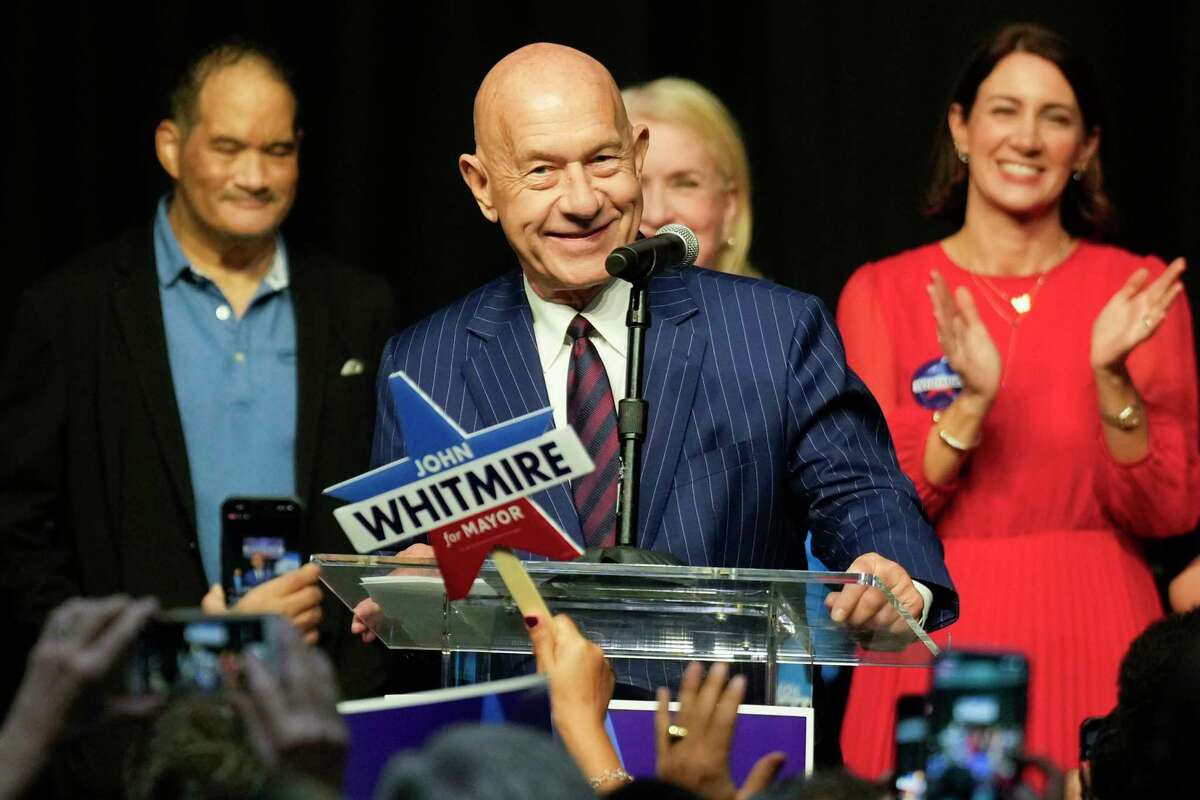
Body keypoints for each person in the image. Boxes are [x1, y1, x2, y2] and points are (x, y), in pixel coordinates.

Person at [357, 43, 958, 696]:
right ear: (482, 186)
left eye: (603, 160)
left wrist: (895, 575)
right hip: (517, 761)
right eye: (542, 172)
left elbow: (863, 498)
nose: (582, 200)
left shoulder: (772, 332)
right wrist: (414, 584)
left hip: (722, 759)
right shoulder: (425, 364)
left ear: (637, 155)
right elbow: (408, 582)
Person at [0, 40, 403, 781]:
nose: (254, 176)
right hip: (129, 744)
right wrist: (157, 655)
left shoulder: (359, 309)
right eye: (228, 147)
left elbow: (389, 518)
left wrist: (352, 688)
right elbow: (22, 537)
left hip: (315, 729)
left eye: (276, 151)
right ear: (171, 146)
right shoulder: (71, 311)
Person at [835, 23, 1200, 776]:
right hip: (933, 629)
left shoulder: (1139, 293)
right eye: (1004, 110)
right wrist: (970, 405)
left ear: (1087, 149)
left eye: (1056, 118)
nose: (1027, 138)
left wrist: (1111, 377)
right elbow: (868, 506)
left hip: (1103, 634)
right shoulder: (880, 292)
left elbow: (1169, 512)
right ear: (962, 128)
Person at [622, 78, 760, 277]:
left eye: (685, 184)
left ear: (730, 205)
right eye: (636, 182)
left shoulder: (779, 308)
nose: (656, 215)